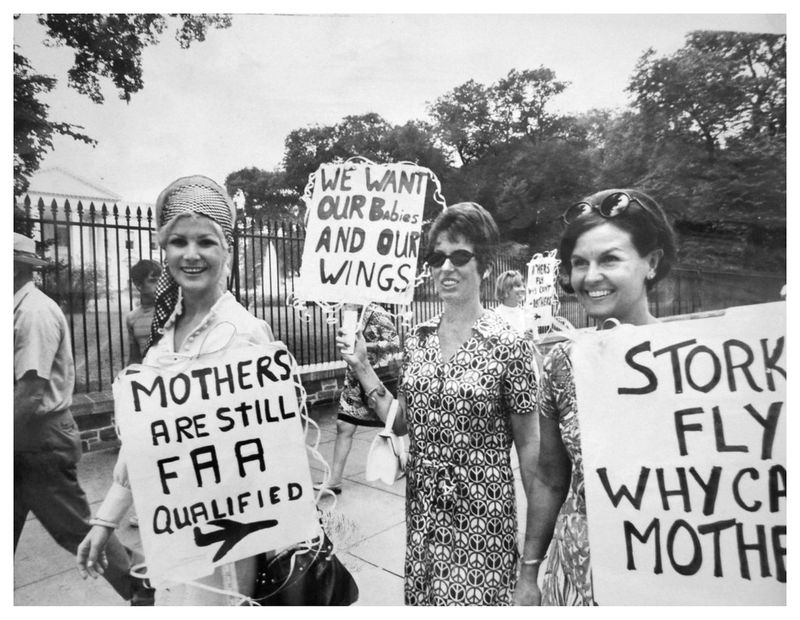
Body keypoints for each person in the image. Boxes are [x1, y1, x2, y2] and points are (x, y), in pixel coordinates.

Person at [76, 175, 277, 605]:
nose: (191, 254)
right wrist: (106, 520)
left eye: (205, 241)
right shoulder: (166, 335)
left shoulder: (244, 333)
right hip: (171, 528)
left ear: (227, 249)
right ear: (163, 251)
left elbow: (272, 447)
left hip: (226, 535)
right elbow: (146, 442)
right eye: (178, 242)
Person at [337, 202, 540, 605]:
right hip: (424, 522)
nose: (446, 267)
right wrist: (362, 367)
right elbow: (402, 423)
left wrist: (531, 569)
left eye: (460, 256)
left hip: (483, 528)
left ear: (483, 266)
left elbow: (532, 455)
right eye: (436, 257)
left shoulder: (510, 345)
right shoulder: (418, 337)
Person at [513, 188, 677, 606]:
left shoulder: (696, 362)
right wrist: (529, 572)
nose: (590, 277)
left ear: (651, 263)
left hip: (671, 574)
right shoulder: (561, 365)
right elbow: (550, 478)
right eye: (579, 264)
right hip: (576, 578)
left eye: (609, 259)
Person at [14, 232, 153, 605]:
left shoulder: (33, 313)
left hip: (37, 441)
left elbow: (30, 391)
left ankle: (145, 587)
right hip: (22, 436)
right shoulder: (15, 306)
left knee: (77, 530)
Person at [317, 302, 400, 494]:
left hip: (376, 377)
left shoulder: (376, 313)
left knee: (394, 425)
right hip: (354, 379)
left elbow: (394, 343)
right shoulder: (350, 314)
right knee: (343, 425)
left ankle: (402, 463)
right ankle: (335, 480)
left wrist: (365, 346)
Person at [125, 259, 161, 365]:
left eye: (161, 280)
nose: (159, 285)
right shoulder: (132, 318)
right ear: (138, 284)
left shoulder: (172, 312)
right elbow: (134, 358)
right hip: (148, 377)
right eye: (153, 280)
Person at [493, 269, 526, 335]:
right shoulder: (496, 316)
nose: (523, 289)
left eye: (523, 286)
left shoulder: (526, 313)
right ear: (505, 289)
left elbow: (535, 341)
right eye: (518, 286)